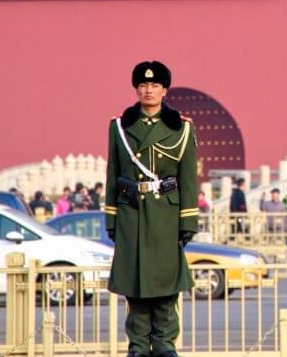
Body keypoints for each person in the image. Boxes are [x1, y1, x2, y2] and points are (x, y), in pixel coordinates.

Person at [104, 60, 198, 357]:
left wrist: (188, 222)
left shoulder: (181, 129)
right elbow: (112, 174)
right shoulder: (120, 127)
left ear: (165, 89)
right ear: (136, 88)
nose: (149, 90)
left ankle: (166, 344)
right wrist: (111, 218)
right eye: (143, 85)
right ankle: (138, 345)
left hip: (165, 216)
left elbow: (188, 179)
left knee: (165, 284)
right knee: (136, 284)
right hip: (131, 213)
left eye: (155, 85)